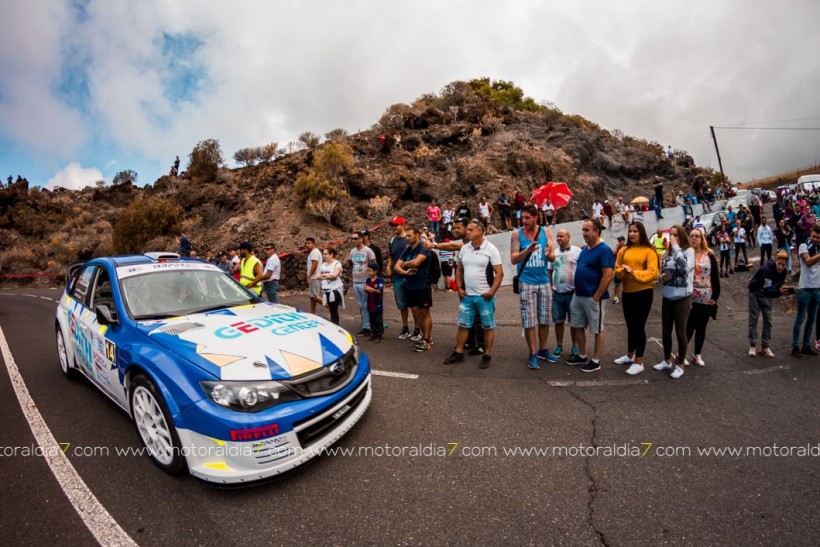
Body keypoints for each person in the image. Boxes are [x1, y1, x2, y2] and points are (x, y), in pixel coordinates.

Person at [443, 219, 503, 369]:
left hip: (484, 297)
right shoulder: (464, 248)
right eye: (467, 229)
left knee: (488, 326)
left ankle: (487, 355)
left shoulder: (491, 249)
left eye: (470, 230)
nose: (467, 232)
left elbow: (499, 273)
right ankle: (458, 352)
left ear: (480, 231)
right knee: (463, 325)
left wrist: (491, 292)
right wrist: (459, 288)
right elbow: (459, 270)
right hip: (467, 296)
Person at [510, 205, 555, 369]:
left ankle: (543, 349)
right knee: (529, 321)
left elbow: (553, 257)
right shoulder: (517, 234)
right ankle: (533, 353)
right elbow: (513, 259)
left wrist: (549, 253)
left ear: (536, 218)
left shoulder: (546, 232)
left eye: (528, 218)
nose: (524, 221)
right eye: (523, 217)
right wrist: (526, 252)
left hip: (544, 281)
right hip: (526, 281)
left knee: (544, 319)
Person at [566, 219, 614, 373]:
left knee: (597, 328)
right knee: (577, 325)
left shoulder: (604, 250)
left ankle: (596, 360)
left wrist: (596, 297)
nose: (584, 233)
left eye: (587, 230)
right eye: (583, 230)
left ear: (597, 231)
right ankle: (582, 355)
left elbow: (607, 276)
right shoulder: (585, 249)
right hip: (578, 294)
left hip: (593, 296)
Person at [613, 222, 659, 375]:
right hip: (628, 293)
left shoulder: (649, 251)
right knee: (630, 325)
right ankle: (629, 355)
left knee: (639, 326)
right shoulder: (624, 250)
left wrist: (634, 273)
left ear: (641, 233)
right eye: (630, 231)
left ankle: (639, 361)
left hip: (644, 293)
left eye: (635, 231)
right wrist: (624, 272)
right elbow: (617, 269)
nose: (632, 234)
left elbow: (653, 273)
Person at [653, 225, 694, 379]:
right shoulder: (665, 253)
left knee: (680, 331)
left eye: (675, 234)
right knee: (665, 330)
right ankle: (666, 360)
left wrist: (676, 246)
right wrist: (661, 278)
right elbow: (662, 272)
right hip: (668, 295)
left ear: (681, 236)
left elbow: (685, 268)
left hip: (682, 297)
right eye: (670, 234)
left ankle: (681, 364)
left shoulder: (688, 251)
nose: (671, 237)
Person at [395, 227, 434, 352]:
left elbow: (416, 262)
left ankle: (426, 339)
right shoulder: (407, 250)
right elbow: (396, 266)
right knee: (415, 312)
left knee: (424, 312)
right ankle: (425, 336)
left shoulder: (424, 248)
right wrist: (405, 272)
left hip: (422, 284)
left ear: (417, 235)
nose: (407, 238)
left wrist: (405, 264)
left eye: (409, 236)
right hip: (410, 285)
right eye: (406, 236)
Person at [685, 229, 721, 366]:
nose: (694, 238)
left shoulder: (709, 255)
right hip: (690, 296)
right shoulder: (686, 254)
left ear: (702, 239)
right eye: (692, 236)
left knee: (702, 327)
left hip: (706, 296)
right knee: (689, 326)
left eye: (697, 236)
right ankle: (682, 354)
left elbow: (715, 276)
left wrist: (715, 297)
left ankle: (697, 355)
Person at [748, 251, 790, 357]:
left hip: (768, 294)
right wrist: (779, 292)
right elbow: (767, 290)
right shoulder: (767, 269)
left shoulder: (784, 271)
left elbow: (777, 285)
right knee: (754, 319)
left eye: (783, 265)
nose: (780, 267)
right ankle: (753, 345)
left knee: (768, 320)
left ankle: (765, 347)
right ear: (776, 261)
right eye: (779, 263)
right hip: (756, 292)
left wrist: (782, 287)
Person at [551, 229, 582, 360]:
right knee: (558, 321)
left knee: (574, 322)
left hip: (572, 293)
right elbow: (549, 270)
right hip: (557, 294)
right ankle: (559, 345)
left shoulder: (577, 251)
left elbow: (581, 269)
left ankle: (575, 346)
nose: (559, 238)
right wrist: (550, 287)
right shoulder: (553, 253)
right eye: (557, 236)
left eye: (561, 236)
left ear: (568, 237)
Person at [792, 226, 820, 358]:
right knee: (800, 318)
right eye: (814, 236)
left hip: (816, 288)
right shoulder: (803, 246)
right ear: (810, 234)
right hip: (805, 288)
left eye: (818, 238)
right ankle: (795, 346)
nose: (815, 239)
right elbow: (808, 261)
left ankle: (806, 345)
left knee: (811, 320)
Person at [348, 232, 377, 336]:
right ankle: (365, 325)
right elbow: (351, 263)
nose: (353, 241)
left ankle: (370, 326)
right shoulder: (352, 252)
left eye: (355, 238)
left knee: (366, 304)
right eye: (352, 239)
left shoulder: (368, 251)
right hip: (355, 281)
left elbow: (374, 264)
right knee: (361, 305)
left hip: (365, 281)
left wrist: (372, 279)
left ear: (361, 239)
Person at [317, 248, 344, 325]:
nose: (324, 256)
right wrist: (328, 276)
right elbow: (318, 276)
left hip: (335, 289)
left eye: (326, 254)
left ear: (331, 254)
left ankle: (335, 326)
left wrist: (324, 275)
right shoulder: (323, 265)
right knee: (331, 309)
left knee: (333, 309)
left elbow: (335, 275)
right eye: (323, 254)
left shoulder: (337, 263)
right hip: (326, 290)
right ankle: (334, 325)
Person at [364, 262, 385, 342]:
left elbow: (379, 291)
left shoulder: (379, 280)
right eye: (368, 271)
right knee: (372, 318)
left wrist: (372, 289)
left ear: (375, 271)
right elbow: (366, 290)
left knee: (378, 319)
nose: (368, 273)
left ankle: (379, 335)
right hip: (370, 302)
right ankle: (373, 333)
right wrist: (366, 289)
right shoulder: (368, 280)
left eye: (370, 271)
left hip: (377, 303)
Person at [305, 237, 323, 314]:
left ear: (314, 244)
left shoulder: (315, 252)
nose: (307, 245)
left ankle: (329, 306)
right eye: (306, 243)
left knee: (314, 296)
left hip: (314, 277)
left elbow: (314, 265)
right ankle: (313, 312)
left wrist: (309, 276)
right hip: (314, 277)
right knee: (312, 296)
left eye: (309, 243)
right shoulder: (313, 252)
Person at [611, 236, 625, 303]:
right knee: (617, 284)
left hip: (624, 268)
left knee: (626, 283)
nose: (619, 242)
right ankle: (615, 297)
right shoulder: (617, 247)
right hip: (617, 268)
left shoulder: (626, 248)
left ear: (623, 241)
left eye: (620, 240)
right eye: (618, 240)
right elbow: (612, 253)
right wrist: (616, 246)